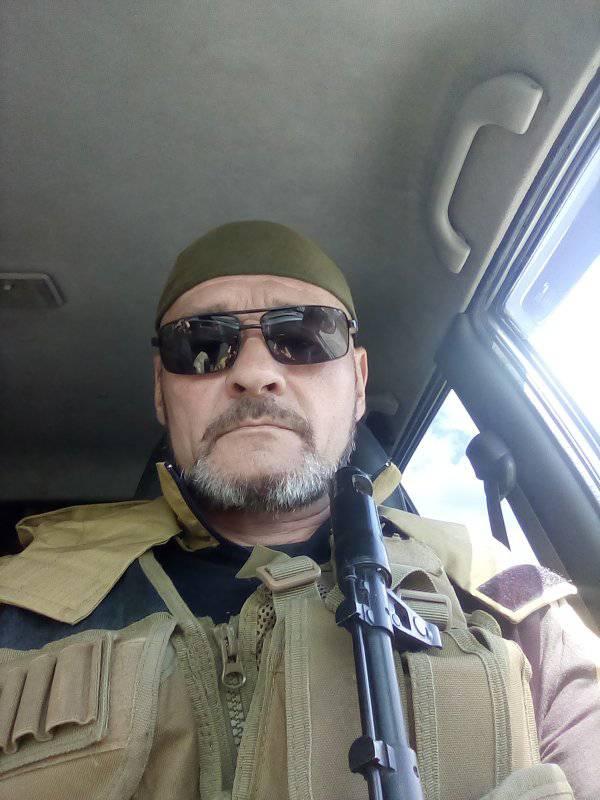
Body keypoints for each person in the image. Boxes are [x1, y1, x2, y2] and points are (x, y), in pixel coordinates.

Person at [0, 221, 598, 800]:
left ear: (358, 380)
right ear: (161, 389)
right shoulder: (17, 600)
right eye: (202, 345)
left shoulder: (500, 595)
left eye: (306, 337)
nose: (255, 373)